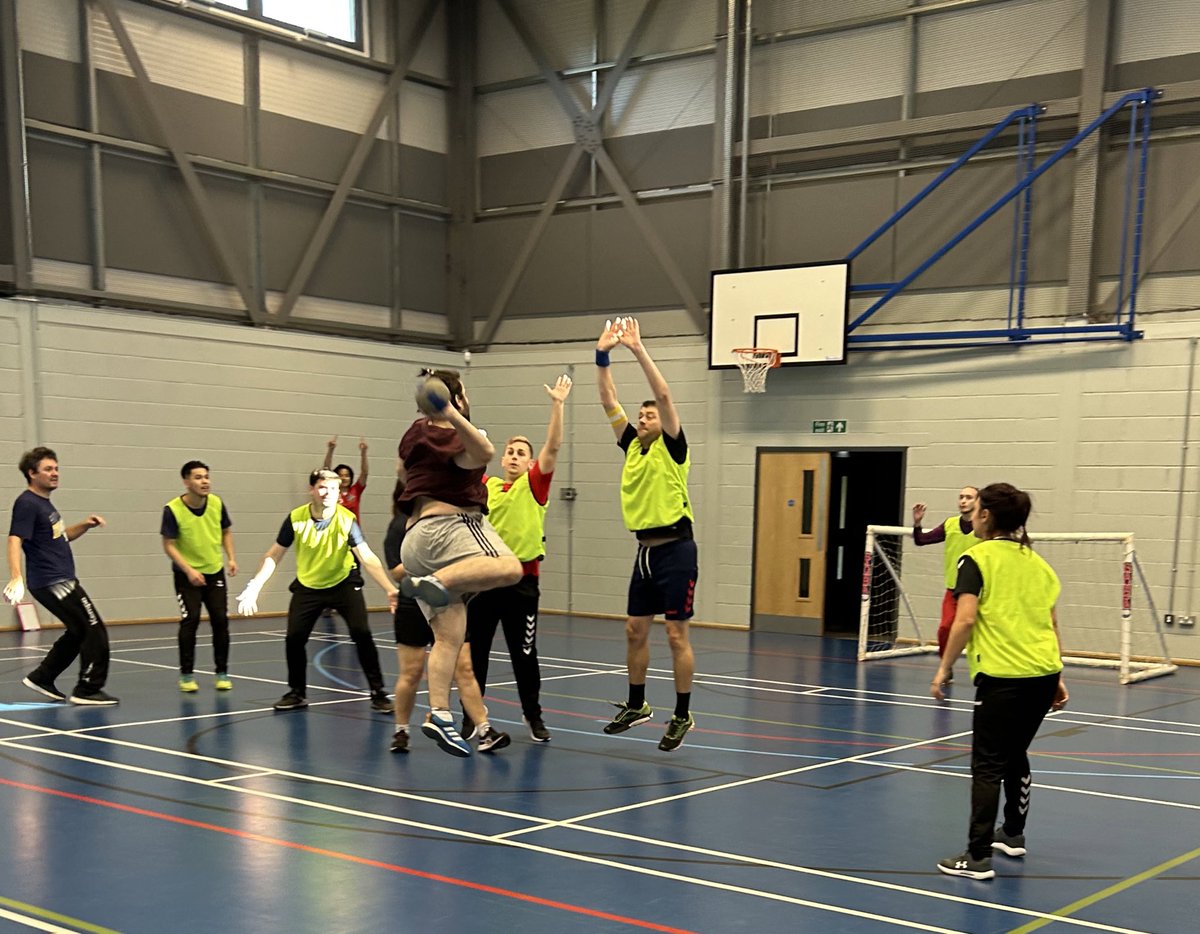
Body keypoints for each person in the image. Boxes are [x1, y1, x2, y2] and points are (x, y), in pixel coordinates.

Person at [931, 482, 1069, 880]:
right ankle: (1012, 832)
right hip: (1042, 674)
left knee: (988, 765)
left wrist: (944, 668)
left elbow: (966, 619)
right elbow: (1051, 623)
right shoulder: (1039, 564)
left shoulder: (975, 559)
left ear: (986, 516)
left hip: (1004, 678)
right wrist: (1057, 675)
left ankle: (976, 857)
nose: (969, 515)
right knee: (1016, 753)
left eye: (974, 509)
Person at [396, 368, 523, 756]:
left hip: (413, 541)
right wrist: (453, 414)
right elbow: (484, 453)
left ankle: (439, 714)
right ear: (457, 399)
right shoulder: (456, 431)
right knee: (510, 567)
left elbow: (403, 472)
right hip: (452, 529)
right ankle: (439, 579)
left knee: (447, 638)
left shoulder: (413, 435)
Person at [595, 317, 698, 752]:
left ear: (663, 422)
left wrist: (637, 350)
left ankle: (682, 713)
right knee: (635, 630)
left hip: (677, 549)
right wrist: (603, 356)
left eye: (649, 415)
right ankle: (637, 705)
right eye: (639, 415)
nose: (642, 418)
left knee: (676, 635)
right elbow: (608, 400)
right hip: (645, 552)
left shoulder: (672, 446)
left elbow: (664, 394)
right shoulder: (631, 445)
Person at [465, 375, 572, 743]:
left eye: (521, 453)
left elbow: (554, 446)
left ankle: (533, 715)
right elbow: (466, 460)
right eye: (509, 451)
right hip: (484, 583)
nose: (513, 456)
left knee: (524, 655)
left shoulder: (534, 486)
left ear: (530, 464)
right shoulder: (487, 487)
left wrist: (557, 404)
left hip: (523, 584)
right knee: (474, 653)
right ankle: (473, 716)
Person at [235, 469, 396, 713]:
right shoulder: (296, 518)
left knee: (361, 633)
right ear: (311, 490)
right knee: (294, 639)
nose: (327, 493)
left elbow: (366, 556)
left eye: (333, 488)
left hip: (343, 583)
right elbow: (274, 554)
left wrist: (390, 589)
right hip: (308, 587)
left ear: (339, 493)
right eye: (322, 487)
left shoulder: (346, 519)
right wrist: (255, 585)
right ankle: (297, 693)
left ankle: (378, 693)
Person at [383, 480, 509, 755]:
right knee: (412, 672)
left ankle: (485, 730)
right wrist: (432, 571)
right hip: (413, 603)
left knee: (464, 667)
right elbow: (396, 571)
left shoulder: (452, 525)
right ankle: (401, 730)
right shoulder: (401, 526)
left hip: (448, 601)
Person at [4, 447, 118, 705]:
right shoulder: (27, 503)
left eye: (56, 468)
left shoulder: (44, 504)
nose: (55, 473)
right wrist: (15, 576)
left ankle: (43, 677)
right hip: (53, 581)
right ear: (32, 474)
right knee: (94, 629)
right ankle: (87, 689)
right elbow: (14, 539)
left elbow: (60, 536)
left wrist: (85, 525)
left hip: (60, 578)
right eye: (48, 469)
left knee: (78, 631)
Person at [162, 460, 237, 692]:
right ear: (186, 482)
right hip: (188, 577)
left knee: (220, 621)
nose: (204, 481)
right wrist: (189, 570)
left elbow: (225, 532)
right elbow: (169, 545)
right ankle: (186, 675)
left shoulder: (216, 503)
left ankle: (222, 672)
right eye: (198, 477)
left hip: (214, 571)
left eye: (206, 476)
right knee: (191, 620)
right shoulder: (173, 509)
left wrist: (231, 558)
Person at [912, 486, 978, 679]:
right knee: (945, 629)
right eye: (961, 497)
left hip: (981, 592)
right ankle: (946, 667)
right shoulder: (950, 524)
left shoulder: (985, 527)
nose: (963, 501)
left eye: (968, 497)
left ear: (978, 501)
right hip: (954, 590)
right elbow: (921, 540)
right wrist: (917, 523)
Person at [323, 436, 369, 521]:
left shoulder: (355, 490)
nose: (344, 478)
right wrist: (330, 450)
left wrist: (363, 453)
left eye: (347, 475)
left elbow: (364, 473)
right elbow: (326, 470)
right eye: (341, 475)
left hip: (352, 532)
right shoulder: (332, 491)